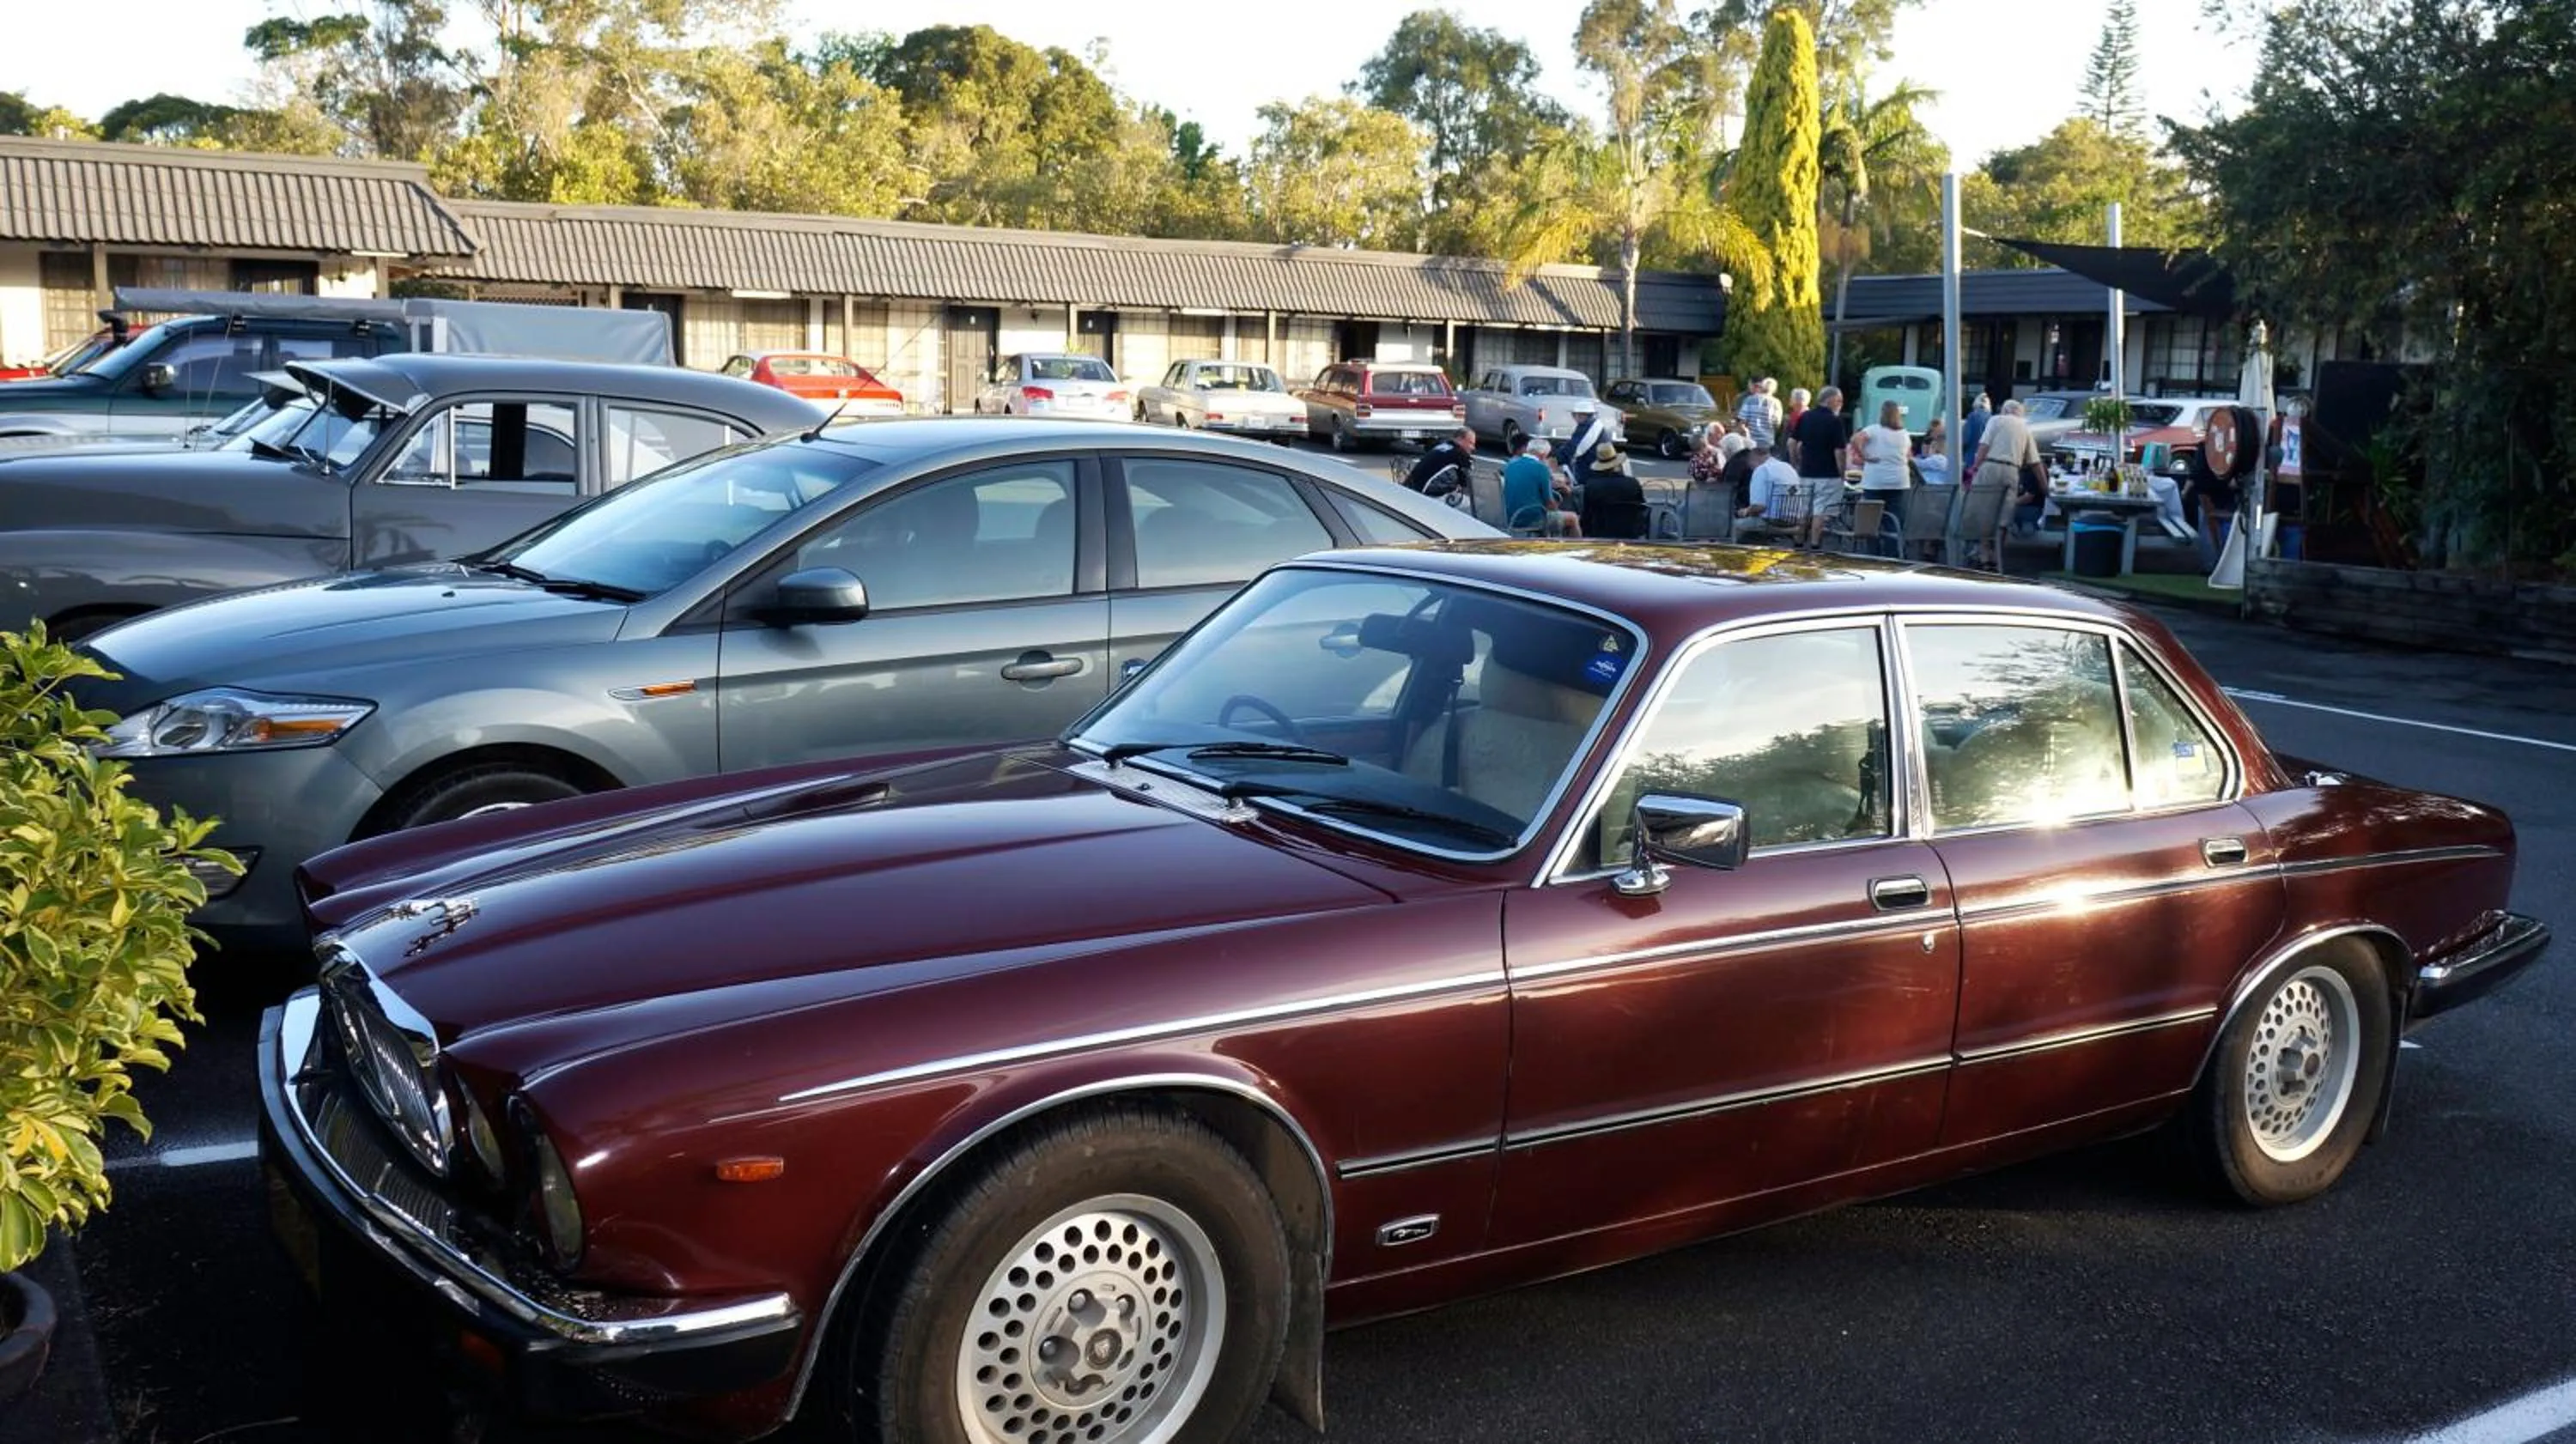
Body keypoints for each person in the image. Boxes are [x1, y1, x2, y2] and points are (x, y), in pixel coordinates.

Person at [1970, 398, 2042, 561]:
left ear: (2004, 411)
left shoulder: (1995, 420)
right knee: (2004, 516)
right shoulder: (2025, 428)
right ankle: (1998, 556)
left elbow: (1984, 446)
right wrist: (2045, 487)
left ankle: (1984, 553)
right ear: (2020, 413)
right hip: (2011, 470)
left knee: (1984, 511)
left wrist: (1974, 468)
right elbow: (2035, 462)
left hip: (1991, 466)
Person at [1787, 385, 1849, 549]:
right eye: (1839, 401)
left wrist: (1795, 464)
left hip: (1806, 471)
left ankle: (1798, 542)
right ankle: (1815, 545)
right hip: (1828, 473)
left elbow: (1792, 442)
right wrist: (1842, 473)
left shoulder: (1805, 417)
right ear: (1830, 400)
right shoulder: (1835, 421)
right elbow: (1839, 451)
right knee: (1820, 510)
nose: (1841, 404)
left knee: (1803, 508)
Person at [1502, 434, 1580, 536]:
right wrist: (1558, 508)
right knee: (1573, 518)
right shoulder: (1541, 468)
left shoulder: (1510, 465)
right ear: (1543, 455)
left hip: (1512, 517)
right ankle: (1577, 549)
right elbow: (1550, 503)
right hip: (1533, 518)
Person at [1856, 398, 1913, 525]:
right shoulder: (1904, 434)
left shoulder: (1873, 430)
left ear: (1882, 413)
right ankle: (1892, 543)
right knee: (1894, 519)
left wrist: (1864, 456)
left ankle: (1872, 543)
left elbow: (1857, 439)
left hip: (1875, 480)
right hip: (1899, 481)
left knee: (1872, 519)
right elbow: (1909, 456)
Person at [1732, 441, 1803, 541]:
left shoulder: (1762, 470)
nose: (1749, 468)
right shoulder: (1788, 467)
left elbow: (1759, 507)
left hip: (1773, 522)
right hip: (1795, 519)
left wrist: (1745, 511)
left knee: (1735, 525)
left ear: (1753, 457)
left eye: (1748, 464)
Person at [1579, 443, 1649, 538]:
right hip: (1631, 533)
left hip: (1601, 534)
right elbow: (1641, 507)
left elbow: (1586, 516)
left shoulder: (1592, 486)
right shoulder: (1633, 483)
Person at [1405, 426, 1476, 497]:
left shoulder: (1443, 446)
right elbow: (1466, 483)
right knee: (1465, 504)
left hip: (1408, 487)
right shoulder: (1459, 454)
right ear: (1460, 439)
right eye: (1470, 443)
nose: (1473, 448)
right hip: (1421, 494)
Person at [1735, 377, 1782, 449]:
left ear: (1762, 387)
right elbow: (1776, 423)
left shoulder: (1749, 400)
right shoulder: (1776, 403)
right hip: (1767, 441)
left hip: (1750, 441)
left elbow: (1742, 422)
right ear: (1774, 390)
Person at [1959, 392, 1993, 468]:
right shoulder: (1992, 419)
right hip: (1987, 460)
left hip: (1971, 458)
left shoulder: (1972, 416)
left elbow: (1966, 438)